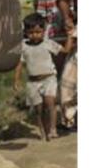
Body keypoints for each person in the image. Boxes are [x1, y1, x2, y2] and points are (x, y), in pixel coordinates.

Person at [12, 12, 74, 141]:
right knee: (39, 109)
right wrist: (16, 80)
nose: (35, 35)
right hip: (33, 82)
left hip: (49, 78)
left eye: (38, 32)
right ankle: (42, 131)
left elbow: (65, 50)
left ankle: (53, 129)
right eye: (31, 32)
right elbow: (19, 64)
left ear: (44, 31)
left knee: (50, 103)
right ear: (26, 32)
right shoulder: (23, 46)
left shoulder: (48, 43)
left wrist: (69, 36)